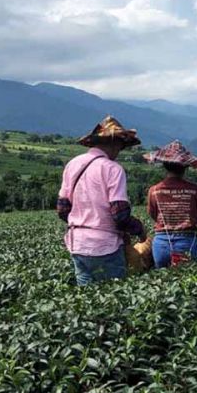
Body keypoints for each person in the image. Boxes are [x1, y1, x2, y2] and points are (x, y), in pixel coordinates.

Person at [56, 116, 146, 286]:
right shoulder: (113, 169)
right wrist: (139, 229)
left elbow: (62, 209)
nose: (120, 150)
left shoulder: (73, 164)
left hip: (77, 243)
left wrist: (83, 221)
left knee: (86, 301)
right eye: (121, 145)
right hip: (104, 246)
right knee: (114, 298)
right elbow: (120, 214)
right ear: (113, 142)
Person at [144, 140, 197, 268]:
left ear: (165, 165)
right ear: (185, 167)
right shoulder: (194, 189)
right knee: (187, 281)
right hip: (187, 242)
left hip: (161, 243)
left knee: (161, 283)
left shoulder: (154, 190)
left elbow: (153, 215)